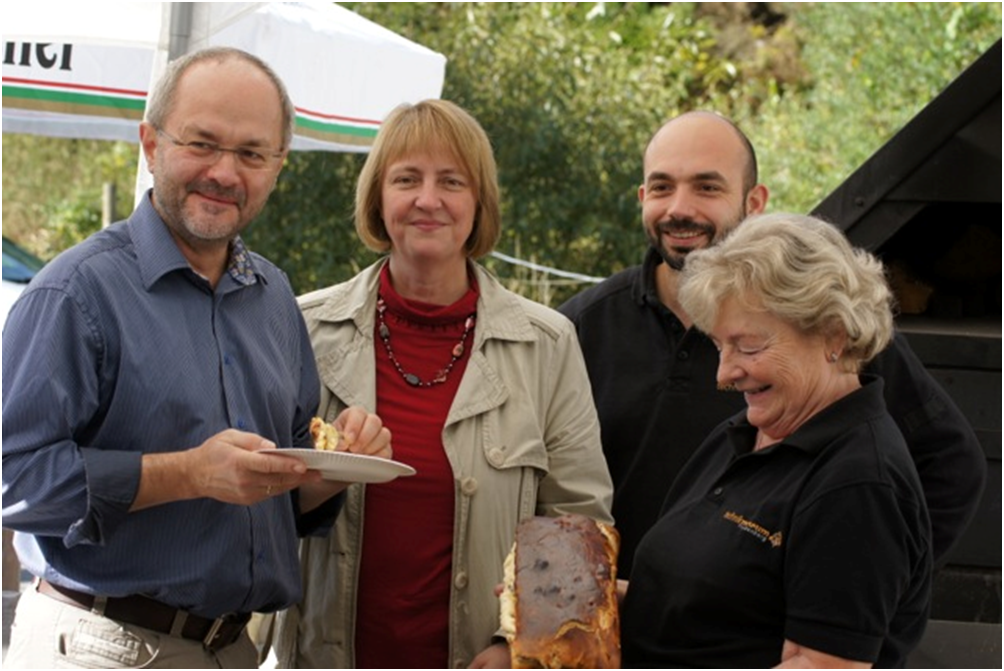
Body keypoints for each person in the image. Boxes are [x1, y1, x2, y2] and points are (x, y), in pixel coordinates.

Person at [1, 47, 390, 669]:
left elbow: (276, 492)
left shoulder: (273, 297)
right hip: (101, 644)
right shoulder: (75, 293)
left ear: (278, 166)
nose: (224, 172)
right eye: (202, 144)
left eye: (251, 154)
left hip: (230, 650)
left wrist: (333, 470)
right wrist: (188, 473)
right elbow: (13, 478)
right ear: (151, 144)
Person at [559, 110, 986, 578]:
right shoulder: (578, 329)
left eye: (707, 187)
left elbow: (950, 466)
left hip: (772, 626)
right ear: (642, 197)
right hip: (616, 616)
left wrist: (882, 595)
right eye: (662, 187)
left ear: (755, 201)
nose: (680, 208)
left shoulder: (818, 325)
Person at [269, 99, 614, 670]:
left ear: (479, 204)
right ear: (378, 198)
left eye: (451, 182)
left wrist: (521, 648)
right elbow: (258, 507)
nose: (427, 199)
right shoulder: (304, 328)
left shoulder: (547, 344)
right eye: (407, 179)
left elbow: (577, 518)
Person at [621, 212, 931, 668]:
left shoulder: (858, 483)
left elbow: (820, 665)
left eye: (748, 347)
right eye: (719, 346)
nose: (724, 374)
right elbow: (690, 604)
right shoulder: (746, 432)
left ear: (833, 336)